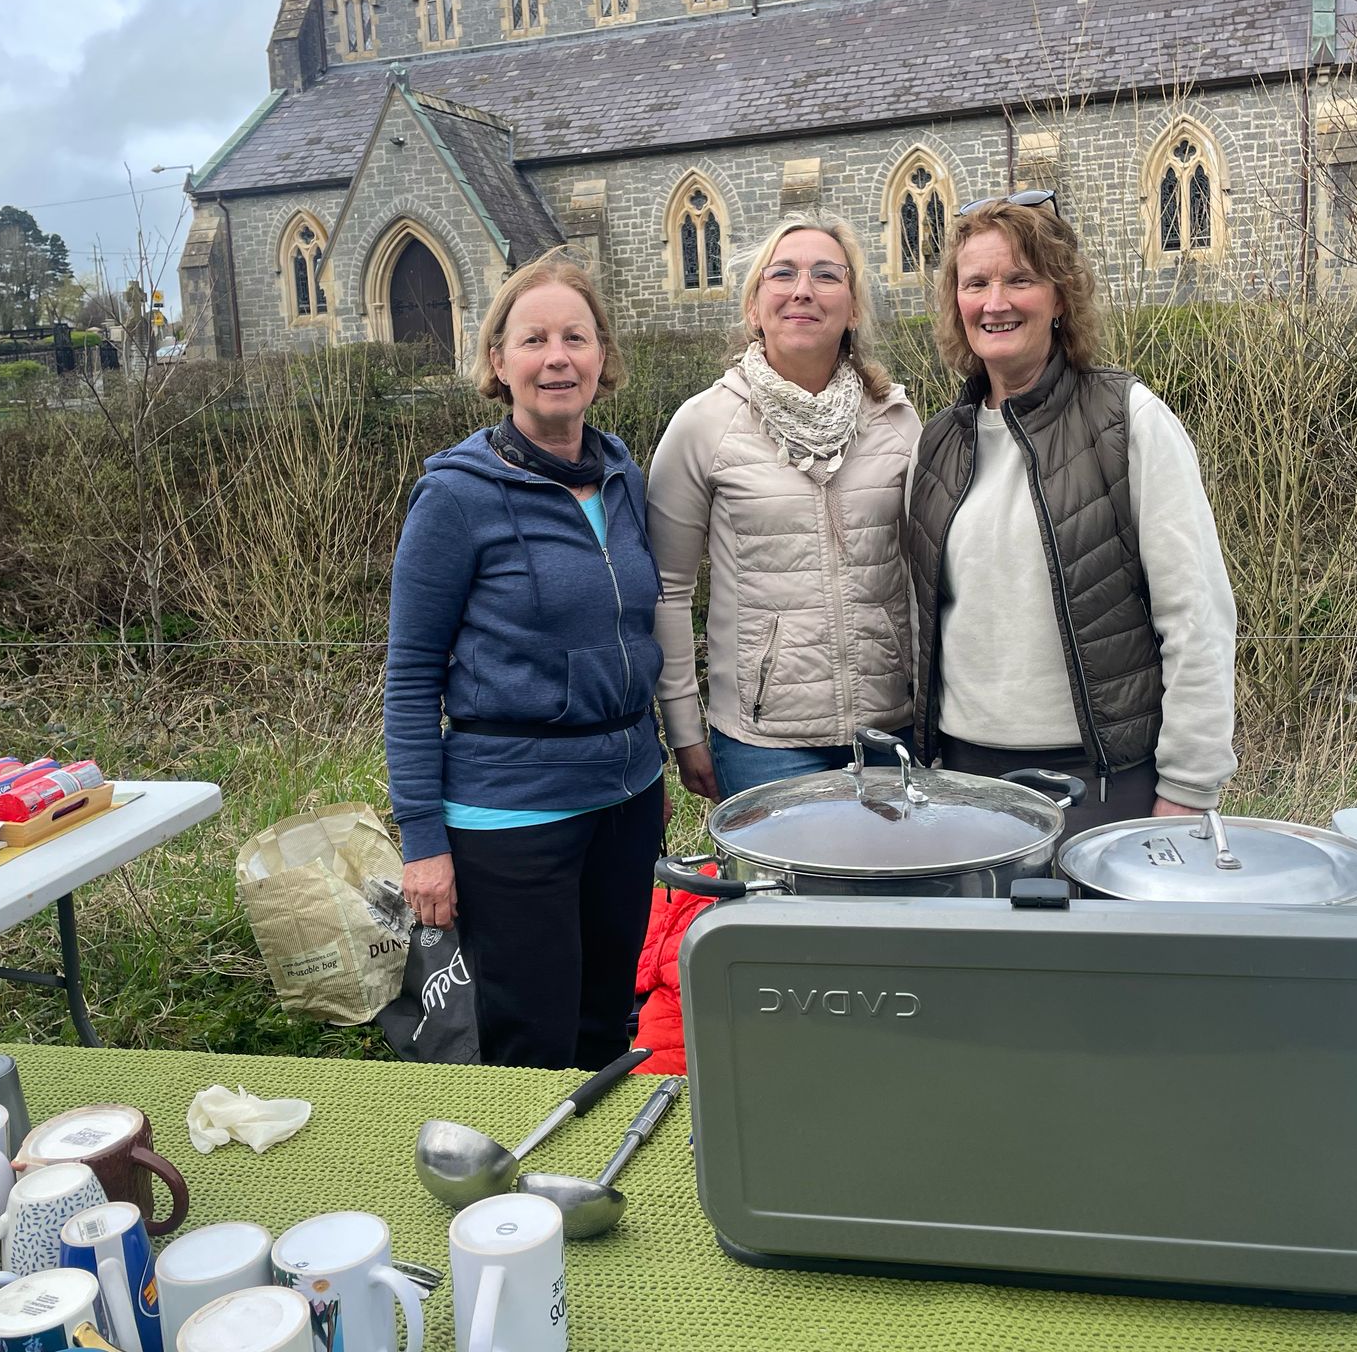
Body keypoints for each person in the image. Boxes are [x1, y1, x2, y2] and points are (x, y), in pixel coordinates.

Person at [383, 248, 665, 1069]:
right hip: (513, 814)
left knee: (607, 1022)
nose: (556, 358)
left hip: (625, 800)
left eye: (575, 337)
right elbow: (408, 682)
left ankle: (598, 1184)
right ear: (498, 361)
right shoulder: (455, 496)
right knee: (530, 1042)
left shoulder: (622, 477)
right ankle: (524, 1196)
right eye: (533, 339)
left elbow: (639, 629)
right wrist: (422, 840)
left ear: (602, 357)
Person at [906, 195, 1236, 824]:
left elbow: (1196, 614)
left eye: (1020, 279)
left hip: (1101, 783)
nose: (995, 302)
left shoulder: (1128, 420)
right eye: (976, 283)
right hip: (962, 782)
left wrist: (1190, 786)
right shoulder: (936, 444)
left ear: (1060, 298)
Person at [647, 215, 920, 801]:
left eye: (827, 275)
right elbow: (666, 588)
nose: (803, 289)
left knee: (898, 893)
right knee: (783, 897)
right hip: (764, 744)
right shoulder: (704, 426)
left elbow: (924, 580)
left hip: (891, 733)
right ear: (754, 307)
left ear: (852, 309)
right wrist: (685, 729)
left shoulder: (896, 423)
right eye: (783, 273)